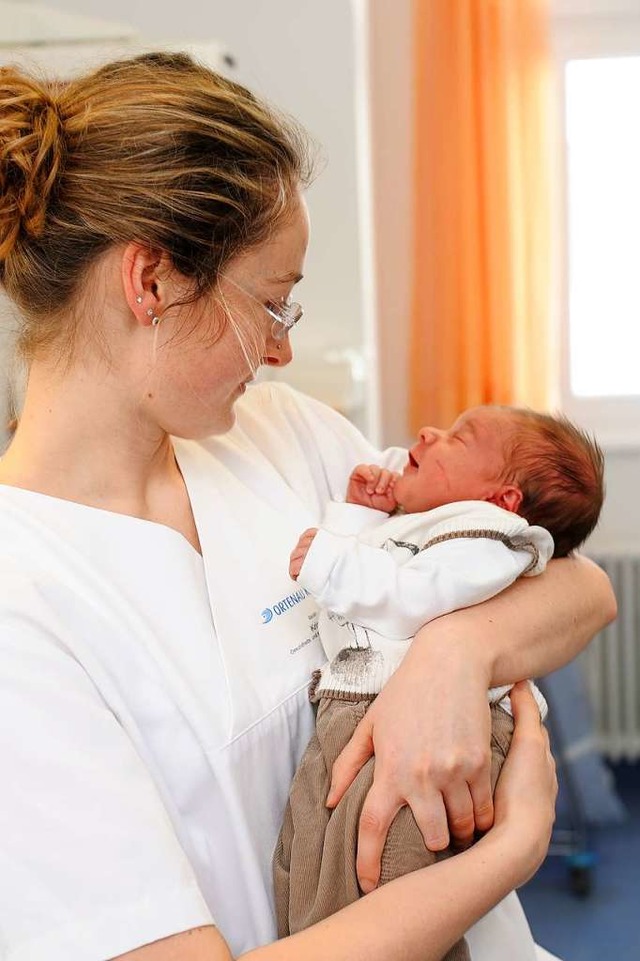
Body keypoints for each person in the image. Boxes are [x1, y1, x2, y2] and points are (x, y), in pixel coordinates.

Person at [0, 52, 615, 961]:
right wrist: (511, 849)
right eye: (273, 306)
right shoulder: (27, 599)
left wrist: (455, 650)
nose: (283, 354)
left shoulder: (278, 433)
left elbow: (580, 582)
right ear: (153, 283)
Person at [274, 405, 604, 958]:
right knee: (311, 882)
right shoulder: (426, 525)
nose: (427, 430)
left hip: (428, 735)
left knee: (399, 886)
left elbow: (413, 600)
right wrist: (359, 515)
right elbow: (358, 601)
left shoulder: (489, 540)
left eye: (459, 437)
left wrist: (331, 560)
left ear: (502, 501)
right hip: (352, 718)